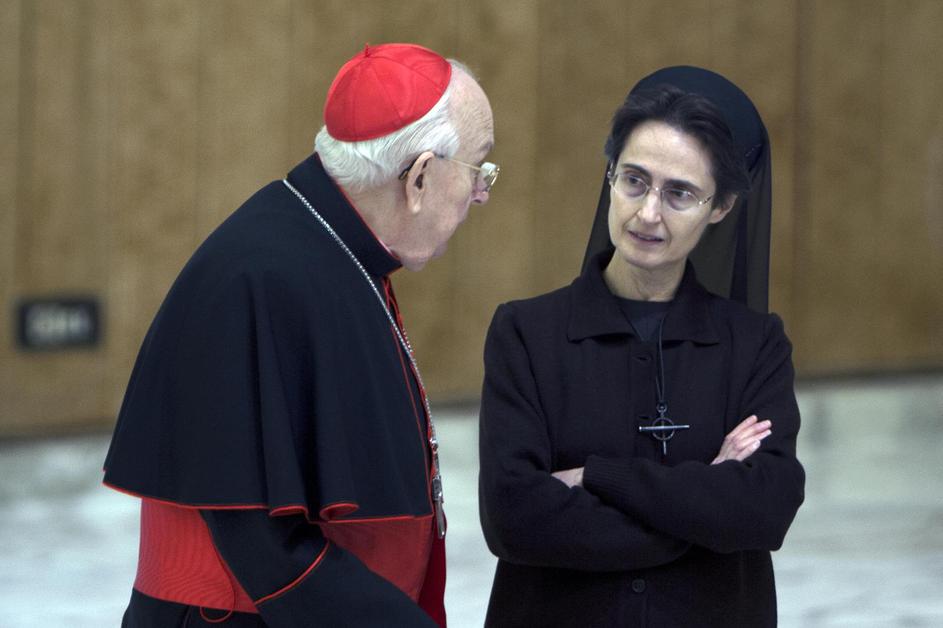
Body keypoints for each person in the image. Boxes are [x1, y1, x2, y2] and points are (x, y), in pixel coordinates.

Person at [103, 43, 497, 627]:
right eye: (479, 169)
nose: (481, 194)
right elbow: (265, 551)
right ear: (417, 178)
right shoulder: (254, 279)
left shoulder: (334, 248)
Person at [478, 66, 804, 627]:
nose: (648, 213)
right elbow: (514, 518)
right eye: (634, 180)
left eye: (680, 193)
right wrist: (703, 503)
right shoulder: (526, 334)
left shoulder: (755, 344)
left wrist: (595, 478)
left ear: (721, 207)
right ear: (609, 176)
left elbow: (765, 510)